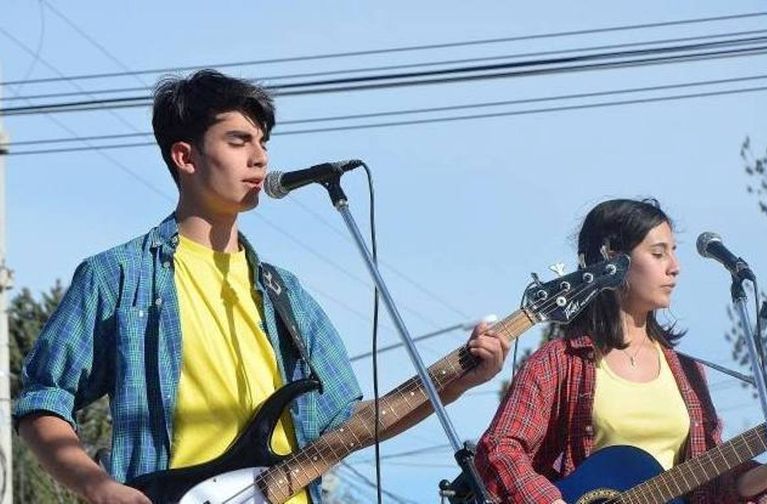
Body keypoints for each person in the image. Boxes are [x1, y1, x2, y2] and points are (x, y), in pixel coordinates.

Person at [14, 69, 510, 504]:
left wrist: (458, 382)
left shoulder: (284, 294)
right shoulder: (118, 276)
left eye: (264, 142)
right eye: (238, 141)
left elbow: (348, 422)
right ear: (185, 156)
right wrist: (99, 486)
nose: (260, 158)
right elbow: (43, 401)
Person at [474, 198, 767, 503]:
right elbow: (499, 448)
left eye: (674, 252)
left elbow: (713, 488)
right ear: (612, 257)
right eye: (658, 253)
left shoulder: (688, 373)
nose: (675, 267)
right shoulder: (560, 361)